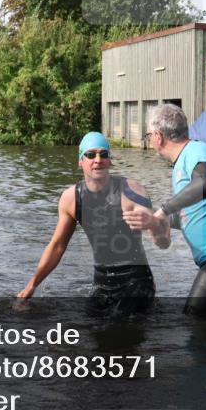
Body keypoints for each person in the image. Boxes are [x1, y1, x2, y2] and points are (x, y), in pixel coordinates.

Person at [124, 104, 206, 316]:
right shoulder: (183, 161)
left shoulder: (195, 150)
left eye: (147, 135)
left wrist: (164, 210)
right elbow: (191, 213)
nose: (148, 140)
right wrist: (155, 219)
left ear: (158, 136)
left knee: (195, 318)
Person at [18, 132, 169, 316]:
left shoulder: (131, 191)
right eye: (91, 155)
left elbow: (163, 243)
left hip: (136, 282)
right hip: (102, 282)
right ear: (80, 161)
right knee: (93, 332)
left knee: (120, 331)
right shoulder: (71, 198)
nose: (98, 160)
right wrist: (32, 285)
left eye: (103, 154)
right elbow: (57, 246)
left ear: (110, 161)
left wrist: (153, 224)